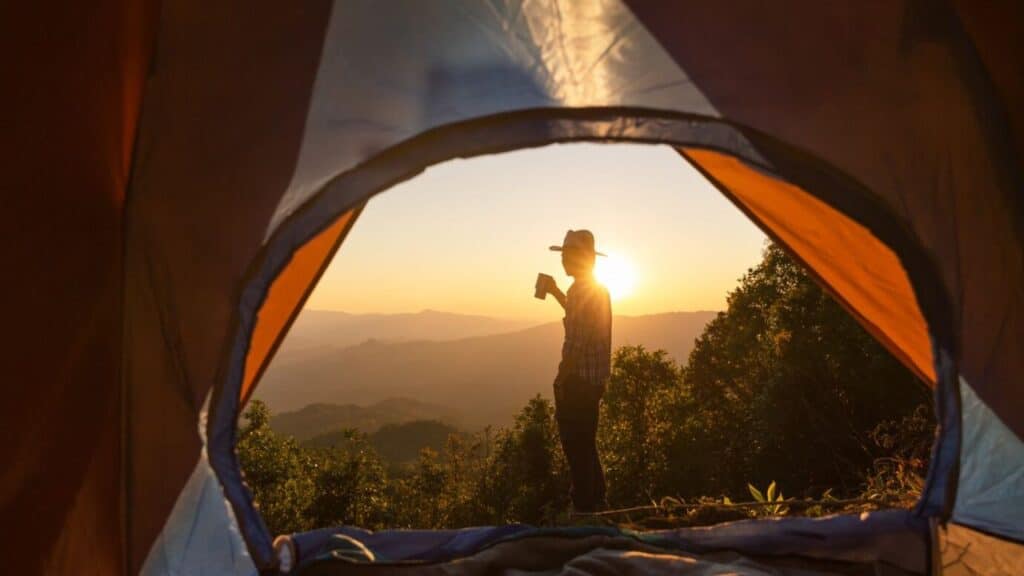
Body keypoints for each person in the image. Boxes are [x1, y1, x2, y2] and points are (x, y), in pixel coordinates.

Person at [537, 229, 612, 513]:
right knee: (587, 443)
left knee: (575, 446)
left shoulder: (581, 291)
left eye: (567, 255)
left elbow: (576, 342)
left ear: (580, 258)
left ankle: (583, 508)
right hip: (594, 381)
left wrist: (560, 378)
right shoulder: (595, 289)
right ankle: (599, 501)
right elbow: (580, 319)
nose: (563, 261)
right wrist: (556, 292)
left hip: (578, 381)